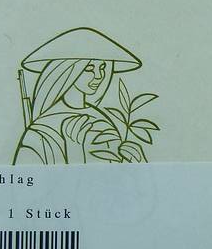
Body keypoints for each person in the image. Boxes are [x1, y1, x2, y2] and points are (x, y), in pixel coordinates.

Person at [13, 27, 142, 164]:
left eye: (102, 67)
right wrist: (75, 154)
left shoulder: (101, 119)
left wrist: (137, 164)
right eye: (89, 68)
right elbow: (29, 175)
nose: (99, 76)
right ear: (67, 70)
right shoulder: (40, 130)